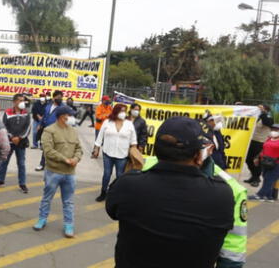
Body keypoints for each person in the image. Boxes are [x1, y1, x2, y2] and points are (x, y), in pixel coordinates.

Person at [105, 116, 235, 268]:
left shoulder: (128, 185)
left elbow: (112, 210)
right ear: (198, 156)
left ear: (156, 150)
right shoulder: (222, 195)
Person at [32, 106, 82, 237]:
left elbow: (79, 148)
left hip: (70, 173)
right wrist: (65, 159)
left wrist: (76, 159)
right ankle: (42, 219)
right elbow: (48, 150)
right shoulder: (49, 130)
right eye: (69, 115)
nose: (71, 118)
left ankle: (69, 224)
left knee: (69, 201)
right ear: (62, 116)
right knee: (47, 198)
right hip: (54, 172)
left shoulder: (73, 131)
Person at [92, 103, 137, 202]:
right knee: (107, 174)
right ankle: (103, 192)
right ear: (116, 112)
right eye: (121, 111)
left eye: (124, 111)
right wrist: (96, 148)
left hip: (122, 154)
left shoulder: (129, 124)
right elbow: (100, 136)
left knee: (120, 175)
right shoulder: (107, 122)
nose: (123, 113)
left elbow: (133, 140)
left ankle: (118, 194)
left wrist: (134, 151)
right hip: (107, 152)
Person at [0, 94, 31, 193]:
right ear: (14, 101)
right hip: (9, 142)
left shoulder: (26, 113)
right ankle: (0, 180)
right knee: (4, 161)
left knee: (21, 163)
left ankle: (22, 184)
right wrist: (11, 136)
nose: (22, 102)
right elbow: (3, 126)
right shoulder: (7, 112)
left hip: (21, 143)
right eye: (20, 100)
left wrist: (20, 137)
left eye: (23, 100)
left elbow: (28, 128)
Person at [245, 105, 274, 187]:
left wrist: (263, 113)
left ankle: (256, 179)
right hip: (252, 141)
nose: (259, 109)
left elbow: (267, 123)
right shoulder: (257, 117)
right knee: (248, 160)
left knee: (257, 162)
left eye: (261, 108)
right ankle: (254, 176)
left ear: (266, 110)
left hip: (260, 143)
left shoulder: (268, 118)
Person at [35, 90, 64, 171]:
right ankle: (42, 164)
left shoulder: (62, 107)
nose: (60, 99)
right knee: (45, 148)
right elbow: (44, 116)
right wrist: (40, 124)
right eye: (58, 98)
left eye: (61, 98)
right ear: (54, 98)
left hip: (57, 131)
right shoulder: (48, 105)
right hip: (47, 129)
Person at [250, 124, 279, 202]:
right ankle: (269, 197)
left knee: (270, 179)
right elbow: (263, 149)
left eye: (276, 130)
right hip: (265, 162)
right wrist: (257, 157)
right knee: (266, 178)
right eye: (273, 129)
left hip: (276, 163)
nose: (274, 131)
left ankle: (259, 195)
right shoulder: (269, 139)